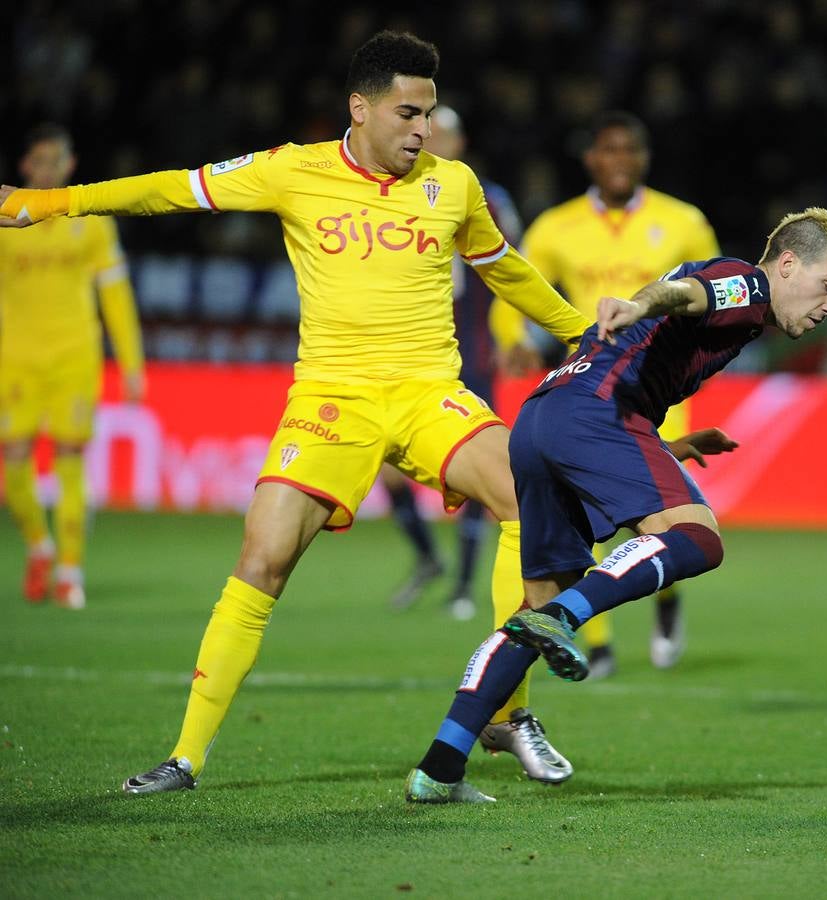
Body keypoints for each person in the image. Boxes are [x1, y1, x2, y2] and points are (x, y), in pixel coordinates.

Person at [0, 30, 591, 792]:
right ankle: (185, 757)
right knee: (263, 560)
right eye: (409, 113)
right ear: (361, 108)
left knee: (525, 498)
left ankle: (509, 713)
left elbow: (504, 268)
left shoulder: (457, 186)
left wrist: (580, 328)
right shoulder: (292, 170)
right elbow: (174, 187)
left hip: (427, 391)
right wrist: (49, 204)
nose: (423, 130)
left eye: (430, 114)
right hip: (331, 399)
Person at [404, 207, 827, 804]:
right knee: (699, 538)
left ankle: (439, 769)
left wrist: (670, 446)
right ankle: (568, 617)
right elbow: (685, 293)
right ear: (788, 263)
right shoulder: (748, 285)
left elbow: (649, 348)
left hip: (545, 418)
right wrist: (638, 304)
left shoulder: (744, 315)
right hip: (595, 415)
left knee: (530, 616)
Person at [495, 110, 721, 678]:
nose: (619, 161)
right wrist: (511, 338)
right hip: (590, 386)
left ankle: (667, 603)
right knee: (585, 517)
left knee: (662, 520)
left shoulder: (684, 221)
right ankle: (595, 643)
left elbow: (713, 294)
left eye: (631, 151)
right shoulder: (555, 227)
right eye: (608, 150)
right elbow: (512, 288)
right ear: (591, 158)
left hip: (657, 390)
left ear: (644, 158)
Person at [381, 104, 524, 621]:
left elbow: (512, 271)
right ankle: (426, 559)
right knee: (388, 466)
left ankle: (464, 583)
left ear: (461, 144)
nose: (431, 139)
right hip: (405, 352)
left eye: (443, 134)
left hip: (469, 349)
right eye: (425, 130)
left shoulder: (485, 197)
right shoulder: (390, 188)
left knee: (480, 470)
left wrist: (512, 334)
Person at [0, 123, 146, 610]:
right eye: (38, 162)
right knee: (15, 461)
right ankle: (40, 547)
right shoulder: (6, 217)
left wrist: (131, 363)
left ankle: (69, 569)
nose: (45, 170)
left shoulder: (92, 219)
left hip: (73, 358)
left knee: (69, 461)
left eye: (54, 162)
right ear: (25, 166)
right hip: (15, 359)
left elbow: (116, 294)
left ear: (70, 166)